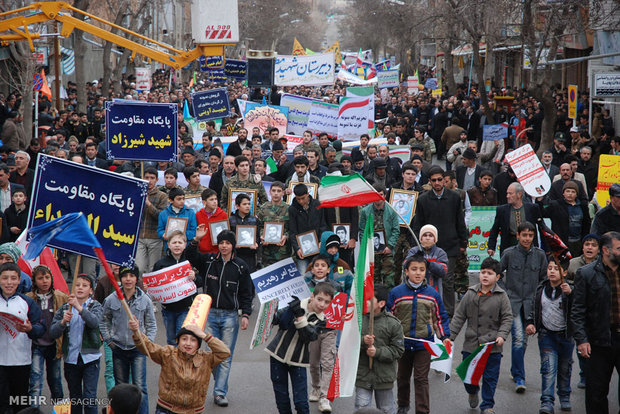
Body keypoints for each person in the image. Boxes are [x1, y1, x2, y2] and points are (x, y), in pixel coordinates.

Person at [186, 228, 254, 407]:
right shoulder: (208, 260)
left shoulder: (241, 266)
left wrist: (246, 314)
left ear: (233, 245)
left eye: (228, 243)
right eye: (221, 243)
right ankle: (220, 381)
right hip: (208, 315)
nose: (224, 246)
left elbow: (247, 292)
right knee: (211, 355)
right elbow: (190, 256)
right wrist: (196, 240)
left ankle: (220, 393)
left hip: (230, 317)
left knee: (225, 356)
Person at [449, 257, 513, 414]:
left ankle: (487, 405)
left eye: (489, 273)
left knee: (490, 378)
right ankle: (472, 391)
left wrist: (502, 336)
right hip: (471, 345)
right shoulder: (470, 293)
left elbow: (507, 318)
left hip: (492, 346)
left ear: (497, 277)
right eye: (483, 272)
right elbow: (459, 317)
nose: (485, 276)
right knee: (468, 377)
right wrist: (449, 337)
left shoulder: (501, 295)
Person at [388, 253, 450, 414]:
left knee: (421, 378)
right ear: (406, 271)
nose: (418, 273)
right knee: (402, 377)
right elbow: (389, 317)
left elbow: (440, 317)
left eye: (422, 270)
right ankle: (403, 405)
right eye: (414, 269)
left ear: (426, 272)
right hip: (402, 343)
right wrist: (388, 337)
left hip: (424, 343)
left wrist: (445, 337)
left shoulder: (432, 294)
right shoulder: (396, 293)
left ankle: (422, 410)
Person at [130, 318, 230, 414]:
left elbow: (225, 352)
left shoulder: (206, 359)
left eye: (193, 340)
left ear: (198, 344)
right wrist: (136, 332)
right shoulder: (167, 354)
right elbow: (147, 347)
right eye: (184, 339)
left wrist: (204, 336)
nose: (188, 343)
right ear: (178, 341)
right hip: (166, 409)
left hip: (194, 411)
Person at [266, 283, 334, 414]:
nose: (322, 305)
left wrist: (299, 316)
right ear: (312, 296)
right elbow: (278, 322)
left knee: (301, 402)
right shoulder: (296, 304)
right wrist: (273, 307)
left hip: (299, 361)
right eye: (319, 299)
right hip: (277, 355)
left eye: (327, 302)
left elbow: (309, 336)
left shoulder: (322, 320)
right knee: (282, 398)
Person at [571, 231, 620, 414]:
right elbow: (577, 311)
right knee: (596, 394)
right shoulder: (586, 274)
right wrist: (582, 339)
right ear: (606, 250)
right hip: (599, 341)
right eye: (619, 248)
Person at [499, 221, 548, 393]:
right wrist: (504, 293)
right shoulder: (509, 253)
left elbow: (544, 279)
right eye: (524, 235)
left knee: (524, 340)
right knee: (519, 337)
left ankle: (515, 369)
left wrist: (539, 297)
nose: (527, 238)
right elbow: (497, 274)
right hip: (512, 303)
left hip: (531, 304)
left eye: (530, 235)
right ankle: (520, 378)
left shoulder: (540, 255)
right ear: (518, 236)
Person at [100, 266, 156, 414]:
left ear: (137, 278)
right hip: (118, 348)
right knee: (120, 387)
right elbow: (103, 321)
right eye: (125, 276)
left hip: (138, 349)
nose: (128, 279)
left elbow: (151, 324)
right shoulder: (111, 299)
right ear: (121, 278)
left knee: (140, 387)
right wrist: (109, 340)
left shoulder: (145, 299)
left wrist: (147, 344)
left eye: (132, 275)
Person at [413, 166, 468, 317]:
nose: (437, 183)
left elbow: (460, 221)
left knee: (447, 280)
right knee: (428, 278)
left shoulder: (454, 197)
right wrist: (419, 244)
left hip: (450, 245)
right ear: (429, 182)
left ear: (444, 180)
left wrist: (463, 243)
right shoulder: (423, 199)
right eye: (434, 180)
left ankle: (448, 313)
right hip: (429, 246)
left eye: (440, 179)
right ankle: (429, 309)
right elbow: (419, 223)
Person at [525, 260, 574, 413]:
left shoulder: (570, 289)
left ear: (564, 273)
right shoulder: (541, 288)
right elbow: (534, 307)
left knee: (565, 368)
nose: (552, 271)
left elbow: (578, 308)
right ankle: (547, 401)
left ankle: (564, 395)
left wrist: (571, 294)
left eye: (556, 269)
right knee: (548, 369)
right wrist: (531, 323)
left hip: (566, 336)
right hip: (546, 335)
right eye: (549, 268)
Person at [49, 273, 103, 414]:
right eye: (77, 285)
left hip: (90, 358)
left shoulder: (94, 305)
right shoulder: (65, 308)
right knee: (75, 398)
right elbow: (53, 332)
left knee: (89, 398)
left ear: (91, 290)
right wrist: (62, 322)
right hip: (71, 359)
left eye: (84, 286)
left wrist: (79, 308)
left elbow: (94, 322)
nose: (80, 288)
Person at [0, 262, 45, 414]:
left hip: (21, 361)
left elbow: (41, 327)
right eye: (5, 278)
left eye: (13, 278)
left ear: (19, 280)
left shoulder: (27, 302)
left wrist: (30, 329)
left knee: (20, 403)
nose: (9, 282)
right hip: (0, 362)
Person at [355, 284, 405, 414]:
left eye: (369, 299)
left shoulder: (393, 324)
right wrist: (362, 341)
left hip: (384, 377)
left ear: (381, 303)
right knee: (362, 408)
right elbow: (349, 343)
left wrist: (377, 352)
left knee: (386, 409)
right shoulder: (358, 320)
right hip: (363, 375)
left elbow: (398, 350)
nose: (365, 301)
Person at [26, 265, 69, 408]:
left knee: (56, 382)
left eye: (47, 277)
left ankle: (60, 410)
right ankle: (34, 410)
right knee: (35, 383)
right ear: (34, 280)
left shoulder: (61, 297)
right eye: (40, 278)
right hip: (36, 345)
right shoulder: (28, 298)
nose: (44, 281)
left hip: (54, 345)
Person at [152, 231, 200, 345]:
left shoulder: (190, 262)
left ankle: (182, 362)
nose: (177, 245)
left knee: (182, 338)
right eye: (174, 242)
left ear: (185, 245)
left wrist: (194, 277)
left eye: (180, 242)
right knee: (171, 339)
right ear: (168, 244)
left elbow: (201, 281)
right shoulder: (160, 264)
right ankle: (172, 363)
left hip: (185, 308)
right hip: (168, 309)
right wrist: (149, 286)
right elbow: (154, 283)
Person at [360, 183, 400, 289]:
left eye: (380, 194)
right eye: (375, 194)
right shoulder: (365, 211)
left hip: (387, 250)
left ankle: (389, 302)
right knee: (373, 279)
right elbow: (362, 231)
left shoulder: (392, 211)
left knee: (389, 278)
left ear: (385, 195)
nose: (378, 197)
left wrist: (390, 246)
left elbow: (396, 230)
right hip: (372, 250)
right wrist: (366, 247)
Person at [488, 182, 542, 257]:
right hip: (509, 246)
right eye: (507, 193)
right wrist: (491, 247)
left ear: (519, 194)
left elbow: (542, 228)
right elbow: (495, 229)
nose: (507, 196)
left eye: (510, 194)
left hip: (529, 246)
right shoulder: (502, 210)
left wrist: (548, 248)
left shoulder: (532, 208)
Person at [539, 181, 591, 257]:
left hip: (578, 242)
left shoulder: (582, 206)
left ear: (576, 194)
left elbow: (587, 223)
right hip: (562, 243)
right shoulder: (556, 205)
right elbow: (543, 213)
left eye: (573, 192)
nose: (570, 194)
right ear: (563, 193)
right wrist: (540, 201)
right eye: (568, 191)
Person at [136, 168, 168, 276]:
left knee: (153, 270)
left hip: (154, 237)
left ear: (157, 180)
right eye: (147, 178)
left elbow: (161, 216)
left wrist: (149, 204)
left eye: (152, 178)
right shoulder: (138, 193)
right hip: (140, 236)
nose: (149, 181)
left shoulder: (162, 196)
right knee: (138, 268)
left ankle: (151, 292)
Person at [289, 183, 327, 275]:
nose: (301, 201)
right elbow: (292, 231)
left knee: (319, 275)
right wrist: (297, 248)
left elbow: (323, 224)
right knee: (303, 276)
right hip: (302, 250)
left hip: (318, 247)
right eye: (298, 199)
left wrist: (321, 241)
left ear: (307, 194)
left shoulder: (317, 204)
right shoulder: (292, 209)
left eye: (303, 198)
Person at [405, 224, 448, 296]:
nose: (427, 238)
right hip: (414, 292)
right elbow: (405, 265)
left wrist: (428, 263)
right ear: (420, 238)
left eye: (431, 236)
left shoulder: (440, 252)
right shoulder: (413, 251)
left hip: (434, 292)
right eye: (425, 235)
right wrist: (415, 258)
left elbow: (443, 270)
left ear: (435, 239)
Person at [257, 181, 290, 267]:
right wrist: (262, 235)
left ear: (283, 193)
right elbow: (258, 226)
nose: (276, 193)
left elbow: (293, 228)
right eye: (274, 191)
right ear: (270, 192)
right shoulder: (263, 208)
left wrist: (286, 236)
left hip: (283, 251)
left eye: (279, 191)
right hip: (266, 252)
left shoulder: (288, 209)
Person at [228, 193, 259, 272]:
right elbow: (228, 236)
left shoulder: (254, 219)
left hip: (250, 255)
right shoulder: (231, 219)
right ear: (237, 206)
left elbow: (257, 236)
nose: (247, 206)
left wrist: (256, 244)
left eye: (249, 204)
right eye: (244, 204)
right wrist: (233, 244)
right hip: (235, 254)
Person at [195, 188, 229, 254]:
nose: (215, 202)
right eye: (211, 199)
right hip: (201, 252)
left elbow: (226, 234)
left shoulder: (223, 214)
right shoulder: (198, 215)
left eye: (216, 199)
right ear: (204, 202)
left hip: (217, 252)